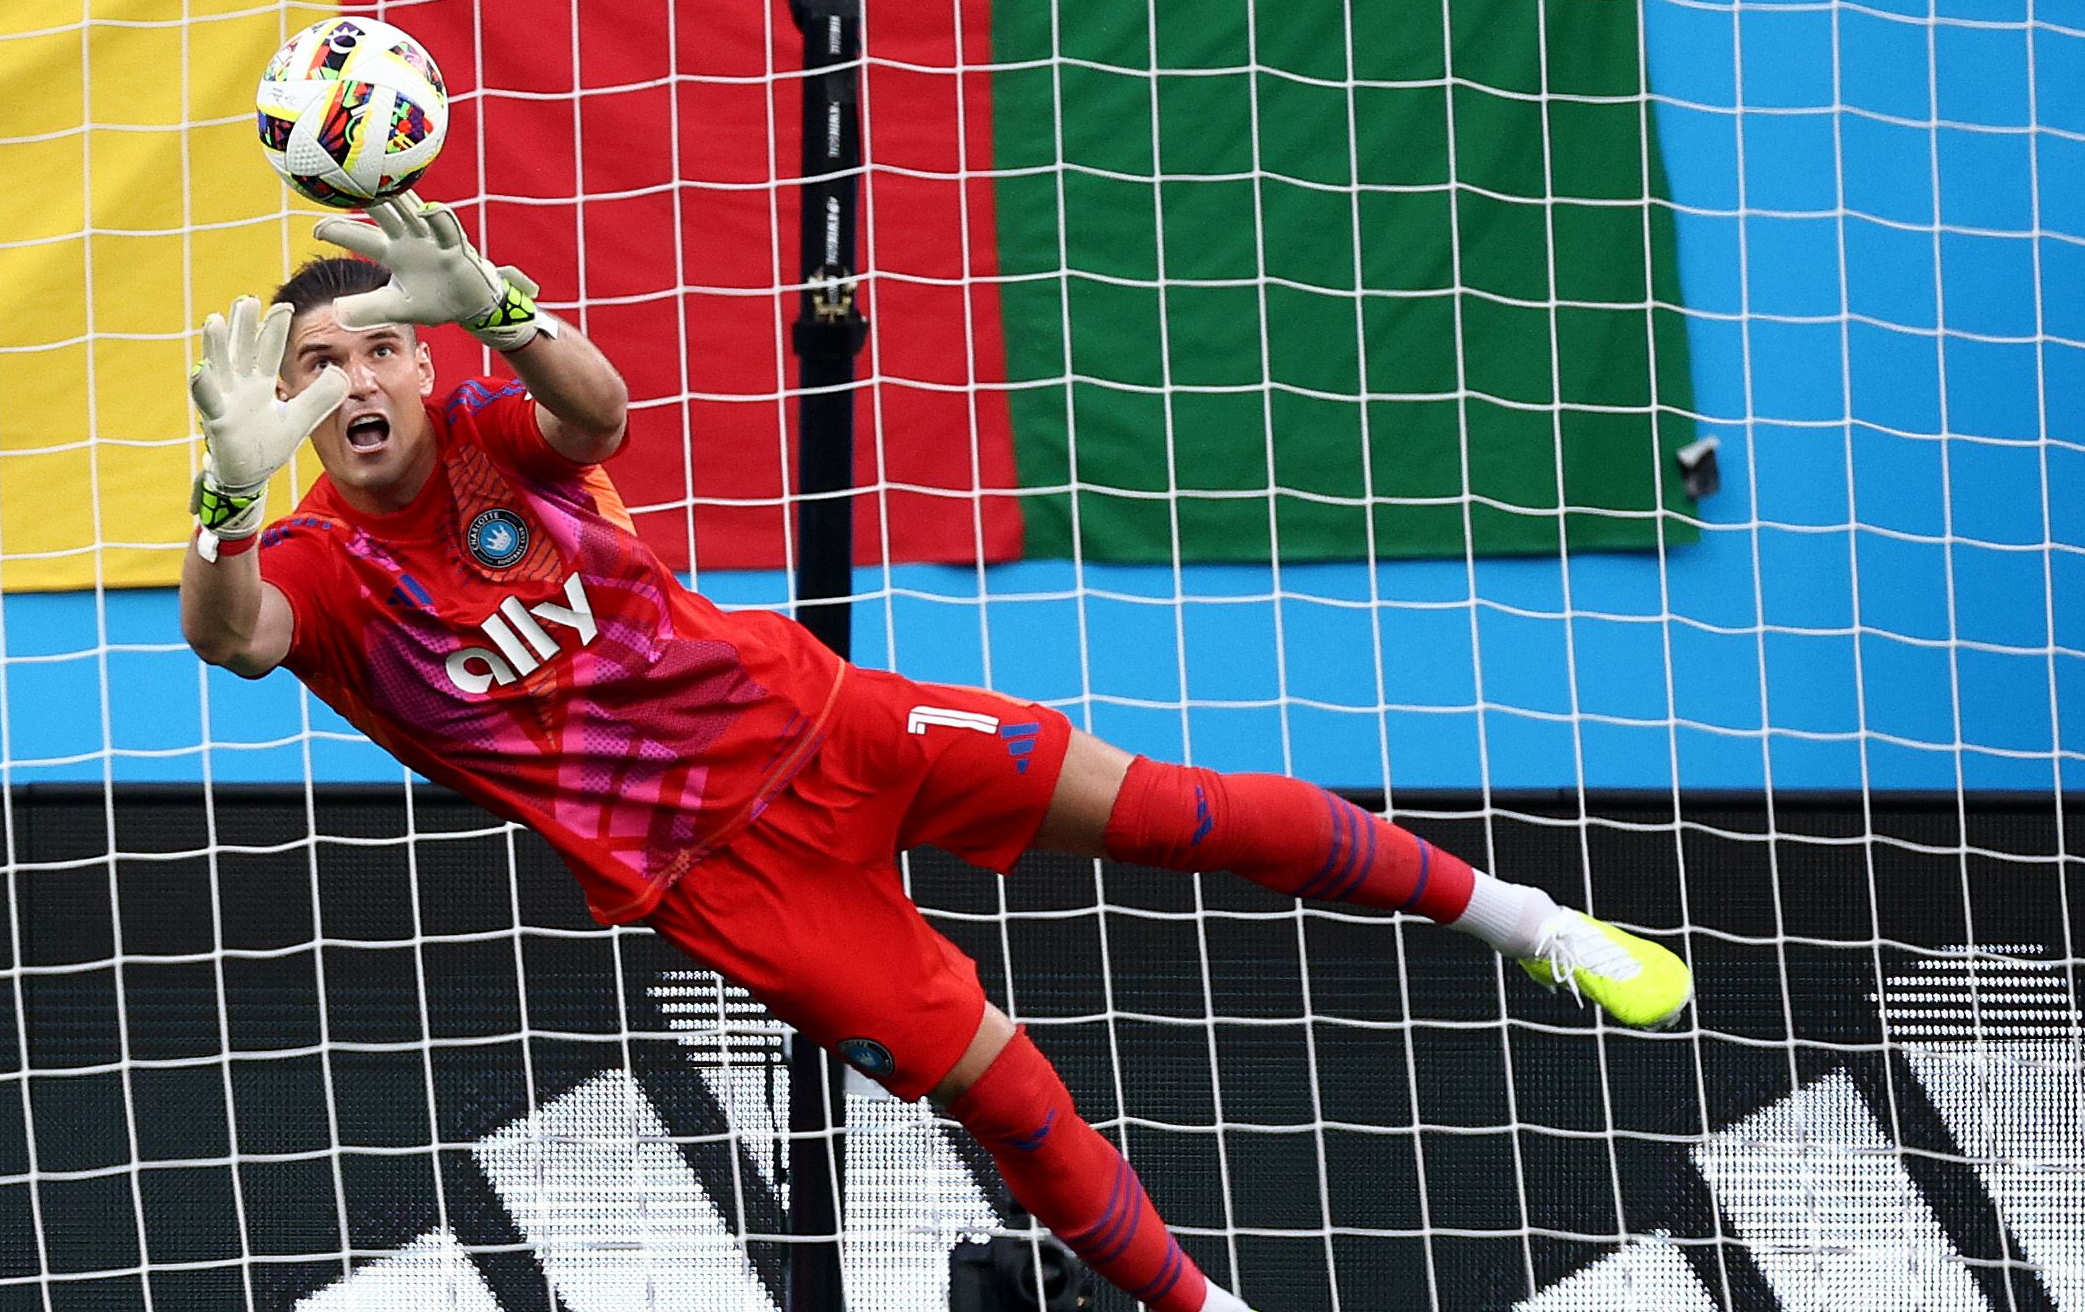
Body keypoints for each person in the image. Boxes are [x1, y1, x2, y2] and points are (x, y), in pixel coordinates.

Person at [179, 196, 1692, 1312]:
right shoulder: (313, 567)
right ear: (294, 406)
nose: (359, 379)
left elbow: (605, 412)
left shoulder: (500, 427)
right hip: (727, 882)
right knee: (1003, 1088)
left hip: (828, 725)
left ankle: (1534, 928)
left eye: (383, 345)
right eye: (320, 365)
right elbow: (229, 635)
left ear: (423, 368)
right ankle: (1202, 1309)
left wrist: (498, 303)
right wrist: (222, 506)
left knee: (1175, 812)